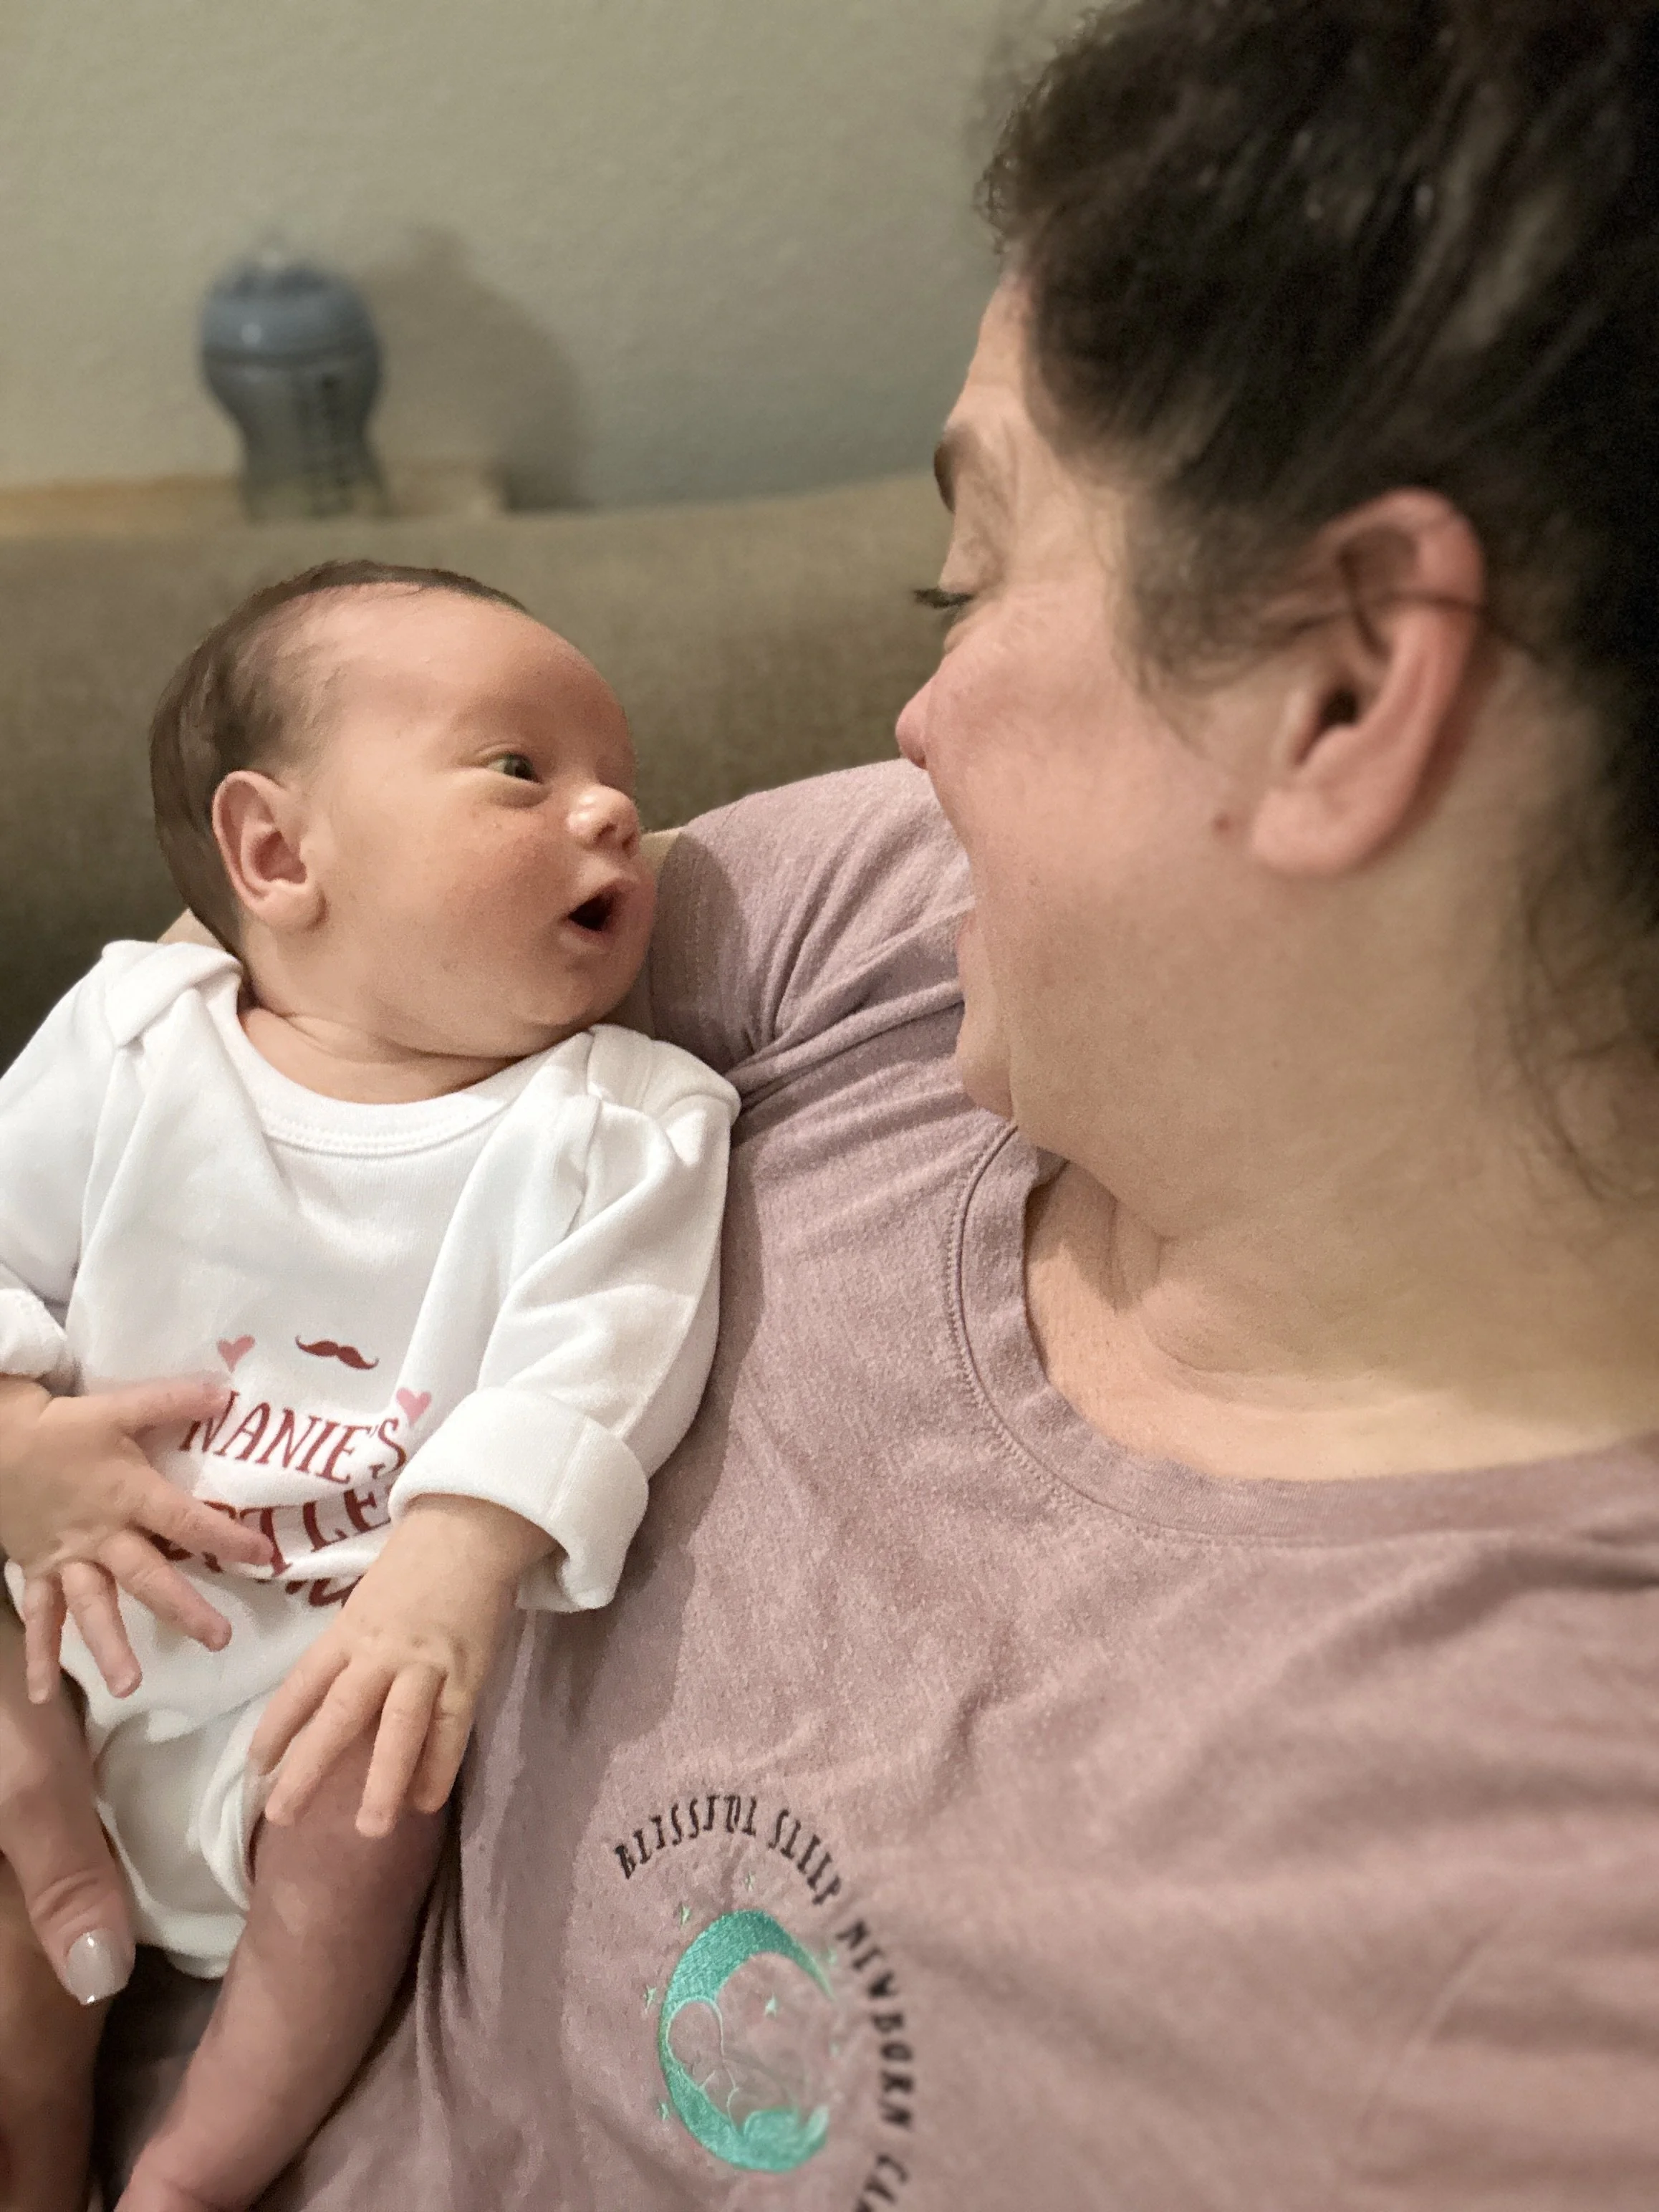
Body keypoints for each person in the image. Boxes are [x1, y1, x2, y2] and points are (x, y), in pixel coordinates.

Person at [9, 0, 1659, 2203]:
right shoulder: (880, 918)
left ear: (1341, 683)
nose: (917, 709)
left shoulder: (1542, 1968)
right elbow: (300, 996)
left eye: (971, 573)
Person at [0, 560, 736, 2210]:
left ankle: (198, 2165)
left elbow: (601, 1360)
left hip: (325, 1685)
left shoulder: (620, 1121)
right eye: (519, 769)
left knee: (369, 1809)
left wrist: (456, 1555)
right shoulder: (132, 1042)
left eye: (621, 773)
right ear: (277, 850)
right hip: (63, 1636)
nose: (614, 809)